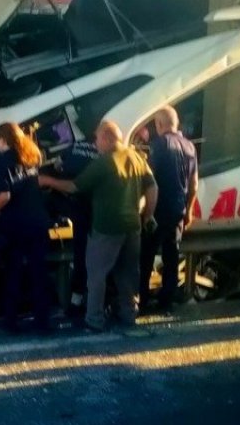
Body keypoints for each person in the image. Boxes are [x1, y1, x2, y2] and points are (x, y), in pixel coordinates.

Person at [40, 120, 157, 333]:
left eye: (97, 139)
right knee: (127, 274)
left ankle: (94, 320)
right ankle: (129, 315)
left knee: (96, 275)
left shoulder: (105, 162)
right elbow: (153, 188)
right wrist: (147, 215)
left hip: (106, 227)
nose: (95, 144)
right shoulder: (137, 157)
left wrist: (48, 181)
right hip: (132, 227)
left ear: (107, 138)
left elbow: (75, 187)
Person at [0, 123, 53, 335]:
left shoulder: (1, 162)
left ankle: (11, 321)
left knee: (14, 272)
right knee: (39, 272)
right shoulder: (31, 156)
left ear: (2, 139)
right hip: (38, 222)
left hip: (16, 225)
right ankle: (42, 322)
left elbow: (5, 196)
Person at [139, 106, 199, 312]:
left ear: (159, 125)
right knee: (171, 258)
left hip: (157, 210)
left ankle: (143, 301)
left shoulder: (159, 144)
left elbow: (148, 179)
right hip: (178, 210)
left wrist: (145, 211)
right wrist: (189, 210)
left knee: (146, 257)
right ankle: (166, 303)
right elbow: (194, 184)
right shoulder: (190, 146)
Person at [57, 138, 99, 319]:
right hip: (98, 210)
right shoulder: (103, 153)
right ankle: (98, 302)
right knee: (100, 260)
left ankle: (76, 302)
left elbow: (59, 164)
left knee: (80, 256)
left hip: (77, 208)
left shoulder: (74, 145)